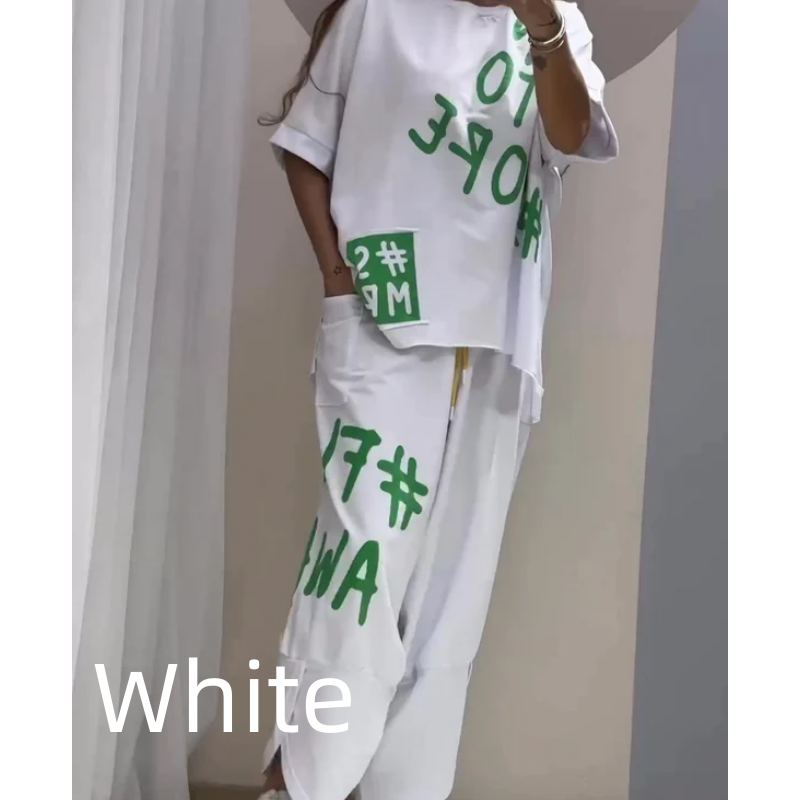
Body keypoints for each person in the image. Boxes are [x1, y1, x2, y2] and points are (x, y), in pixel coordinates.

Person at [258, 0, 617, 798]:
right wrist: (335, 275)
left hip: (494, 339)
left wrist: (544, 29)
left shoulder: (556, 22)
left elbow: (569, 135)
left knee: (453, 593)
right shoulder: (377, 11)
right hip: (385, 321)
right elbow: (305, 146)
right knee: (361, 565)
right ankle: (299, 781)